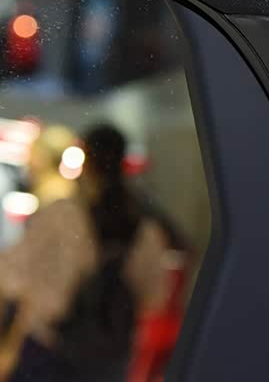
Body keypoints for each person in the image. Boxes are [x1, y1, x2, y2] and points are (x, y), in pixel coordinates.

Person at [0, 124, 173, 382]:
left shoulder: (62, 216)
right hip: (109, 359)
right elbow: (155, 297)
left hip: (49, 349)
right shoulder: (142, 229)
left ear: (86, 160)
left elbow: (12, 277)